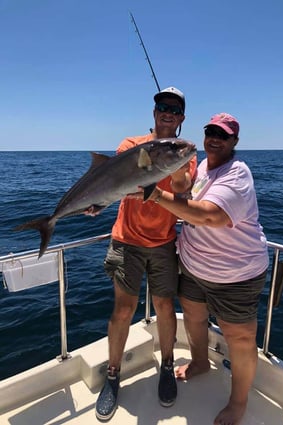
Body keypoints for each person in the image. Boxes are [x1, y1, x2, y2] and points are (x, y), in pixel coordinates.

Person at [136, 112, 269, 425]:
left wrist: (153, 192)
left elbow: (210, 216)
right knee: (194, 319)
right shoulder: (202, 167)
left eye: (223, 135)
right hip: (194, 267)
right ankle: (199, 362)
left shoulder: (237, 174)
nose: (215, 139)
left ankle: (238, 402)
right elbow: (184, 195)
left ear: (234, 141)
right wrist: (178, 174)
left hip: (235, 275)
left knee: (240, 339)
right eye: (211, 132)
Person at [95, 87, 197, 421]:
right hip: (127, 241)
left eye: (175, 109)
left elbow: (182, 189)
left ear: (181, 118)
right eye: (162, 106)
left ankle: (167, 367)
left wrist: (177, 157)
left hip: (164, 243)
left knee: (166, 307)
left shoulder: (186, 154)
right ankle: (112, 375)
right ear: (154, 112)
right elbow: (116, 182)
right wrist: (98, 200)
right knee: (123, 310)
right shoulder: (130, 145)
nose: (168, 112)